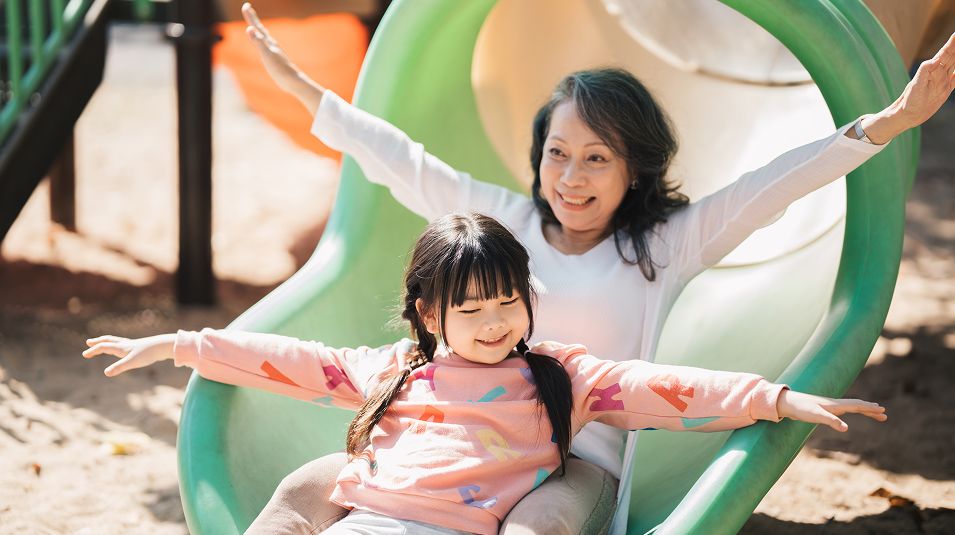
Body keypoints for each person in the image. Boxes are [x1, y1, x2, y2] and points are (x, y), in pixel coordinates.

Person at [238, 2, 955, 531]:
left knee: (540, 524)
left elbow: (775, 183)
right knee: (302, 497)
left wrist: (886, 122)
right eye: (557, 153)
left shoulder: (662, 246)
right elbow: (396, 158)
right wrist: (301, 87)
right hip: (459, 438)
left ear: (632, 171)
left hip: (573, 458)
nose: (571, 177)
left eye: (596, 158)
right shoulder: (507, 223)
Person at [83, 213, 888, 535]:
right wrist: (182, 344)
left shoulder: (557, 376)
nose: (497, 320)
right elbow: (290, 362)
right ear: (429, 314)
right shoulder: (396, 368)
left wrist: (776, 396)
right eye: (473, 310)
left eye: (508, 300)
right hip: (377, 515)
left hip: (473, 524)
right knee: (299, 492)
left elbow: (663, 386)